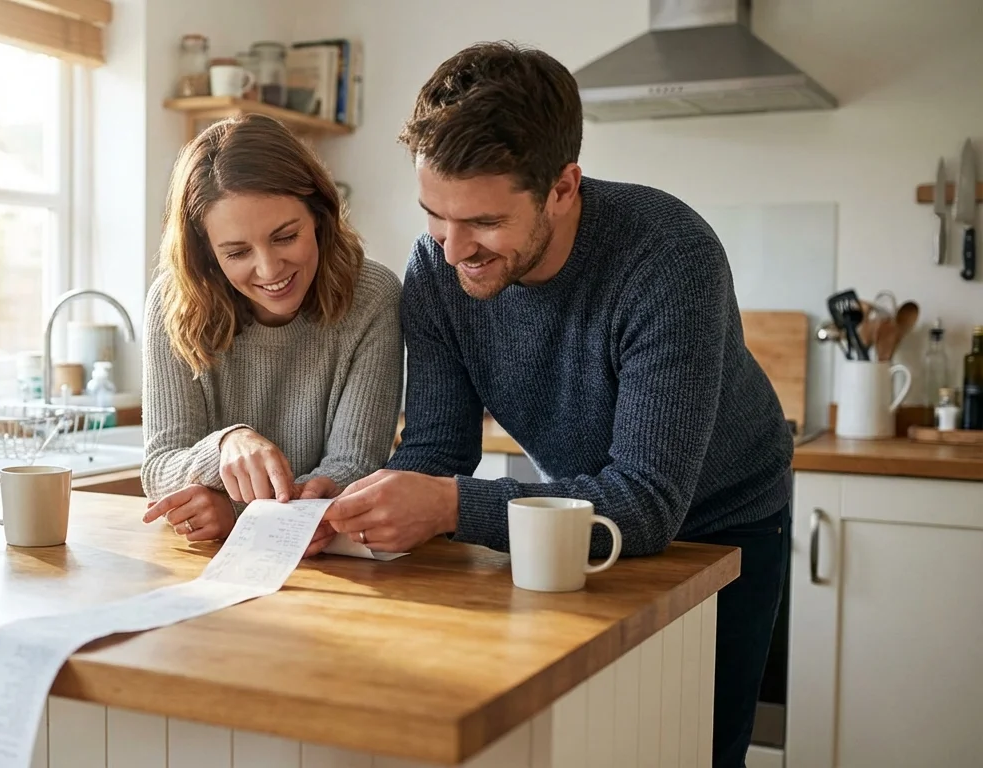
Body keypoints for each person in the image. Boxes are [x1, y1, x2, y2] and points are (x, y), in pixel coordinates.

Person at [322, 42, 792, 768]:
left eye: (481, 222)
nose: (451, 251)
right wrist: (369, 505)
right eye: (434, 217)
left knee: (695, 747)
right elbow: (437, 453)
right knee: (591, 740)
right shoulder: (438, 268)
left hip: (722, 525)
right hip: (576, 514)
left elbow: (645, 503)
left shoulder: (669, 257)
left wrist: (448, 507)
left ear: (564, 187)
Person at [140, 113, 404, 544]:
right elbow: (158, 468)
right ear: (207, 254)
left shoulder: (372, 297)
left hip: (331, 563)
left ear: (318, 214)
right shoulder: (174, 302)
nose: (269, 269)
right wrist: (226, 445)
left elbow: (355, 465)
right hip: (216, 566)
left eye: (285, 237)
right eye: (238, 251)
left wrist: (252, 512)